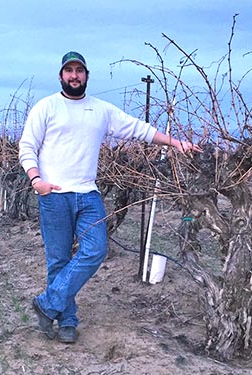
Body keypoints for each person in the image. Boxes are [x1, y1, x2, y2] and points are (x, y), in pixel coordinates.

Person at [19, 51, 201, 344]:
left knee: (95, 250)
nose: (74, 76)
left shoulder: (101, 110)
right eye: (69, 71)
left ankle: (47, 303)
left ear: (87, 76)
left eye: (79, 71)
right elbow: (27, 146)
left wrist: (175, 142)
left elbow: (136, 128)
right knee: (58, 260)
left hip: (87, 193)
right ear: (61, 76)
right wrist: (36, 180)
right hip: (53, 195)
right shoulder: (46, 107)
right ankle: (67, 321)